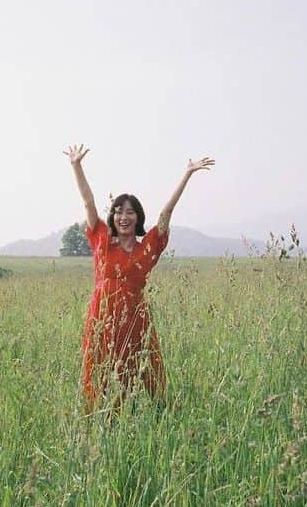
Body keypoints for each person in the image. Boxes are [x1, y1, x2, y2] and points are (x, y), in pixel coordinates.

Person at [63, 144, 214, 412]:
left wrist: (187, 174)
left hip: (134, 317)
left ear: (137, 217)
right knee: (98, 372)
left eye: (130, 212)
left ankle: (160, 418)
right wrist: (76, 166)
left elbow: (165, 215)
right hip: (102, 316)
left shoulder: (148, 248)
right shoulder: (101, 239)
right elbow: (88, 201)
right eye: (118, 211)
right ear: (113, 216)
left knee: (145, 372)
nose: (123, 217)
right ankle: (98, 421)